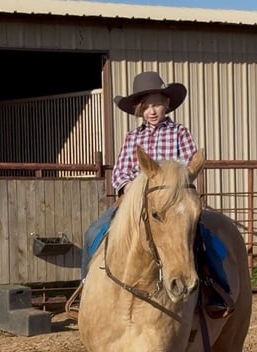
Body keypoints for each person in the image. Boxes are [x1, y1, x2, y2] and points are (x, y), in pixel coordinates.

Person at [70, 71, 231, 319]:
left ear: (167, 104)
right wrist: (127, 187)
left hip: (171, 200)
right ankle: (85, 291)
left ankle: (217, 290)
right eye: (146, 107)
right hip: (135, 201)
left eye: (156, 104)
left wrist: (178, 182)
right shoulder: (133, 138)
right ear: (139, 110)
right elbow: (120, 171)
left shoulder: (179, 133)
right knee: (94, 231)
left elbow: (190, 166)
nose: (152, 111)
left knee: (204, 235)